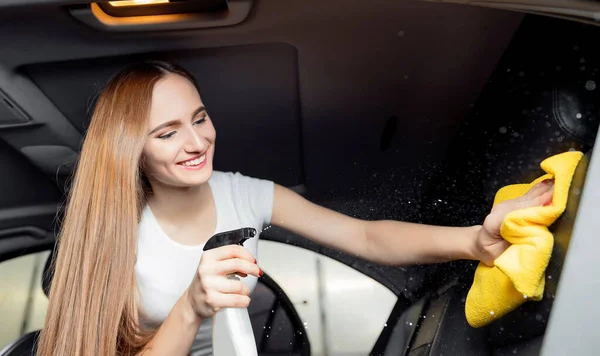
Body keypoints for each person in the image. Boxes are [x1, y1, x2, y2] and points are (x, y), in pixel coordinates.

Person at [36, 60, 554, 356]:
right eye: (168, 133)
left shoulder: (244, 193)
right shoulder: (119, 232)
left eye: (200, 118)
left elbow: (367, 238)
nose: (197, 142)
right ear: (135, 151)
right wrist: (192, 305)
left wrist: (471, 240)